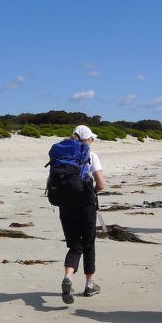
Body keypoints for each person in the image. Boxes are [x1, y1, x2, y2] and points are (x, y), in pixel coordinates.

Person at [60, 124, 105, 304]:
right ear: (88, 140)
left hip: (65, 205)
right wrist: (91, 193)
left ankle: (68, 278)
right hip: (86, 205)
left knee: (75, 245)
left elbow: (50, 181)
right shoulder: (90, 155)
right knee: (88, 244)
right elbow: (101, 184)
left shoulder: (61, 155)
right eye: (92, 139)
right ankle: (89, 284)